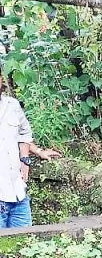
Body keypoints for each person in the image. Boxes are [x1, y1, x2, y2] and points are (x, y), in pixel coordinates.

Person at [0, 66, 61, 229]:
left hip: (17, 193)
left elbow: (23, 133)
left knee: (27, 246)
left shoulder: (11, 105)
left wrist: (28, 157)